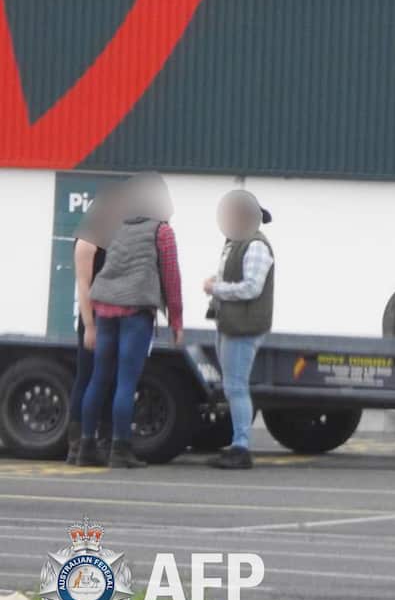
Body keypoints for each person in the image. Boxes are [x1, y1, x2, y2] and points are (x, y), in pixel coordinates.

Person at [77, 172, 183, 469]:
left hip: (105, 305)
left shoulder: (115, 225)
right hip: (136, 310)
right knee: (126, 381)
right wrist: (177, 321)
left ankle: (85, 446)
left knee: (99, 378)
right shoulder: (161, 231)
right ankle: (120, 449)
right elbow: (171, 278)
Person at [203, 190, 275, 470]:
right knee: (233, 386)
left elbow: (251, 288)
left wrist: (216, 288)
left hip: (243, 325)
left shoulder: (255, 246)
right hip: (232, 322)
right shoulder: (236, 243)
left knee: (236, 386)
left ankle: (241, 446)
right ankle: (237, 443)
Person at [65, 181, 126, 465]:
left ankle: (102, 439)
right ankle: (77, 445)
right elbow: (83, 284)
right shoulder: (88, 239)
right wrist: (90, 326)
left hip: (113, 317)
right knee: (87, 377)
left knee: (109, 380)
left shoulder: (112, 237)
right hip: (94, 319)